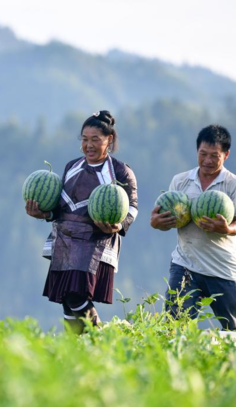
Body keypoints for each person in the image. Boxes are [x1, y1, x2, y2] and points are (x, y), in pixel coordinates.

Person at [25, 110, 138, 334]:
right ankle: (77, 351)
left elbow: (132, 208)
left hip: (95, 244)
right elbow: (60, 208)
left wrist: (119, 225)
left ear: (109, 140)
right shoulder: (71, 167)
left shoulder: (120, 172)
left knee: (77, 296)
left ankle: (101, 336)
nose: (89, 145)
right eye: (84, 140)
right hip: (64, 243)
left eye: (95, 139)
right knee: (68, 302)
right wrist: (44, 214)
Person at [150, 124, 236, 331]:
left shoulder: (235, 184)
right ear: (197, 151)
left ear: (226, 154)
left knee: (235, 332)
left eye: (214, 155)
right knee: (174, 329)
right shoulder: (180, 181)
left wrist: (227, 229)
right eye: (203, 154)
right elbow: (165, 219)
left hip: (222, 268)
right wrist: (156, 223)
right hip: (185, 265)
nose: (207, 160)